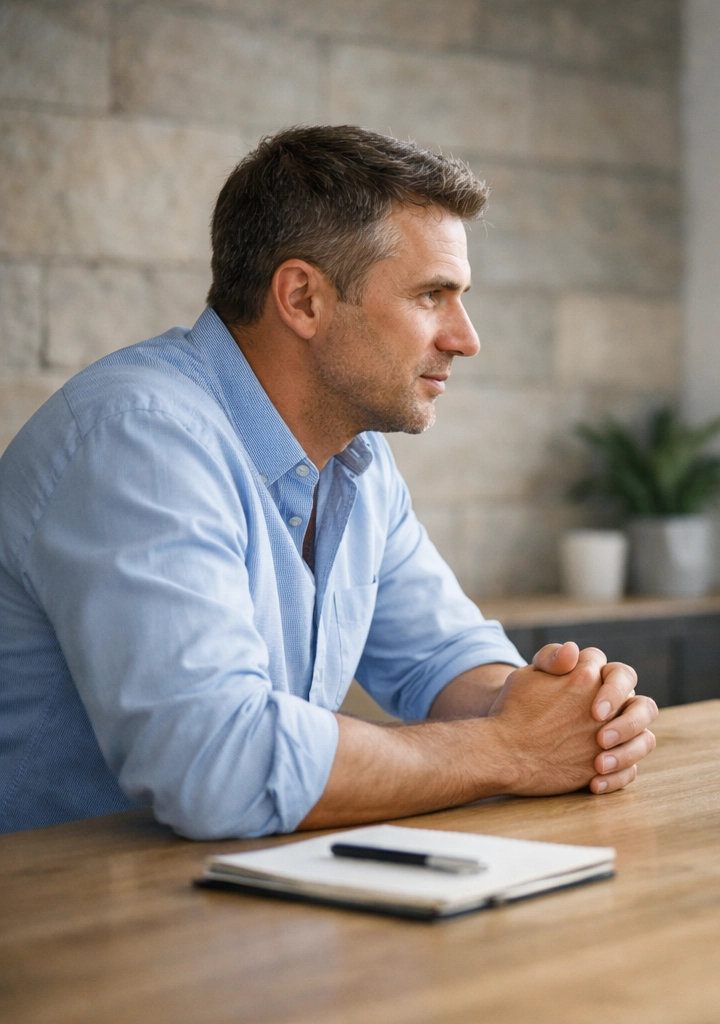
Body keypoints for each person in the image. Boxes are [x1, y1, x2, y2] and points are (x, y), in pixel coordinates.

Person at [0, 125, 659, 840]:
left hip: (227, 896)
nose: (467, 338)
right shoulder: (140, 440)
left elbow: (441, 659)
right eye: (432, 295)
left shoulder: (356, 462)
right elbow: (217, 769)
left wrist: (562, 711)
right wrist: (510, 749)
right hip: (56, 919)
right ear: (303, 299)